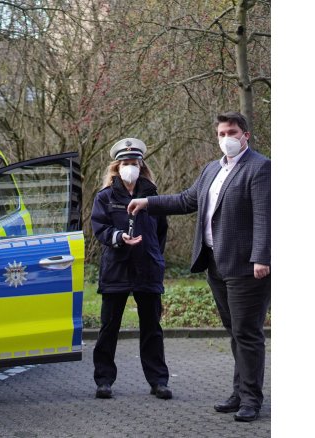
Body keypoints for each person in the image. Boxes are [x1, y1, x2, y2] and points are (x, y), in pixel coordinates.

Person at [127, 112, 270, 422]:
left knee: (247, 333)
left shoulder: (260, 167)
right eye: (221, 133)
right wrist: (148, 203)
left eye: (231, 132)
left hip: (246, 265)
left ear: (245, 135)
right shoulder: (211, 170)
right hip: (215, 262)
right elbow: (186, 200)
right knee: (234, 332)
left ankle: (251, 400)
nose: (226, 139)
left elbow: (264, 215)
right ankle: (239, 392)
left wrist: (263, 257)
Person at [91, 138, 171, 401]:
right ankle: (104, 381)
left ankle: (158, 381)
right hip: (117, 268)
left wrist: (152, 253)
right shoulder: (105, 197)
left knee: (152, 327)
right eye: (125, 163)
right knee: (109, 327)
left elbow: (161, 232)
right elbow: (99, 229)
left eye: (134, 163)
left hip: (147, 268)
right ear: (117, 167)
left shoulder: (153, 197)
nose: (130, 167)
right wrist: (118, 238)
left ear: (141, 165)